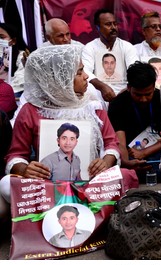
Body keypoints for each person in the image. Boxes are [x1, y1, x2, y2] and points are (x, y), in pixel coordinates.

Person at [0, 44, 138, 222]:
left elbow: (112, 144)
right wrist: (25, 169)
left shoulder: (93, 105)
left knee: (123, 176)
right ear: (59, 78)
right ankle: (84, 214)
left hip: (91, 185)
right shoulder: (31, 110)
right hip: (48, 186)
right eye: (80, 72)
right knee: (5, 184)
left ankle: (55, 214)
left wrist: (105, 162)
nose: (87, 76)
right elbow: (15, 155)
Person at [108, 61, 161, 182]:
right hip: (130, 154)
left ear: (154, 86)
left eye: (148, 94)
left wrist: (145, 152)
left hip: (159, 151)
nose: (143, 99)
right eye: (138, 95)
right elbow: (120, 141)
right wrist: (126, 162)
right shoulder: (117, 104)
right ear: (129, 88)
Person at [82, 8, 138, 102]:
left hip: (125, 91)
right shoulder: (90, 47)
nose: (113, 28)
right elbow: (86, 71)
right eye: (108, 24)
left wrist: (126, 90)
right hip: (98, 93)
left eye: (115, 24)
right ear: (98, 27)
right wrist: (102, 87)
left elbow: (135, 70)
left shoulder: (127, 47)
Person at [0, 22, 29, 98]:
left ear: (13, 41)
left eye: (1, 37)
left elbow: (19, 82)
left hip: (11, 94)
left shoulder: (21, 56)